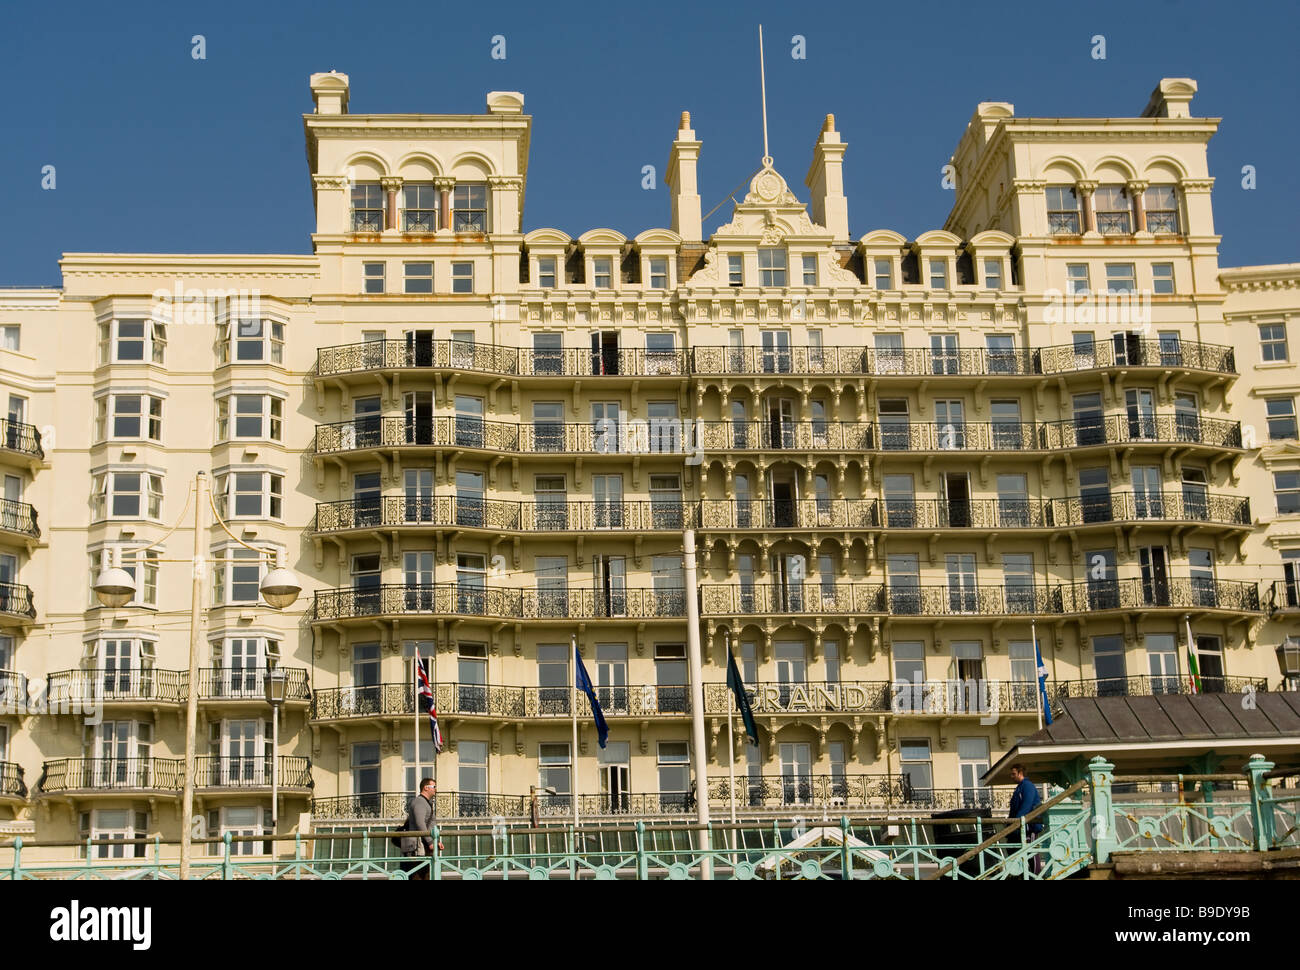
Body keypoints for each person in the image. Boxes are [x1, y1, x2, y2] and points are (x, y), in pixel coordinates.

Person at [400, 778, 443, 880]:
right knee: (418, 875)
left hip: (423, 845)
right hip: (418, 846)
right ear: (426, 788)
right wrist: (430, 842)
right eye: (434, 787)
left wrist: (437, 841)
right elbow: (420, 823)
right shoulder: (419, 802)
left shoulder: (426, 803)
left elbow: (431, 825)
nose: (436, 789)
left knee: (427, 874)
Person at [1008, 763, 1044, 875]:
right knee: (1016, 851)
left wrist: (1014, 823)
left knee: (1031, 853)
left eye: (1014, 774)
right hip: (1021, 827)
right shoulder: (1019, 788)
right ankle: (1023, 875)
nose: (1011, 776)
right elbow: (1014, 809)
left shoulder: (1027, 786)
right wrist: (1009, 824)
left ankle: (1035, 876)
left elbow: (1026, 806)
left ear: (1020, 773)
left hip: (1029, 827)